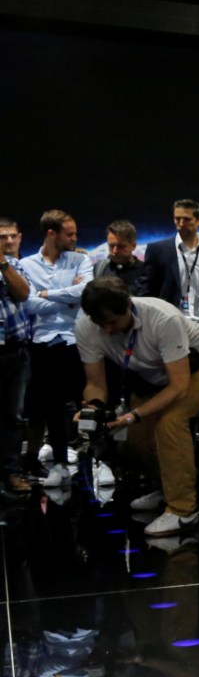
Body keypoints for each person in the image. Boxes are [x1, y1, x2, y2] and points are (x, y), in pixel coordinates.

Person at [75, 277, 199, 536]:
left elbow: (179, 386)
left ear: (128, 306)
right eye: (100, 323)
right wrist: (93, 407)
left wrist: (133, 415)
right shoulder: (86, 327)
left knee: (169, 424)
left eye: (112, 322)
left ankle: (183, 511)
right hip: (153, 374)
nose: (106, 330)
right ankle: (168, 488)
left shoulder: (162, 318)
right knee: (135, 441)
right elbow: (95, 383)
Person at [18, 210, 92, 487]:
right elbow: (28, 304)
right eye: (69, 234)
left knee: (90, 403)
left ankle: (100, 461)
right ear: (52, 233)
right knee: (51, 409)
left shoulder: (80, 259)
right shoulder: (26, 265)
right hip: (43, 345)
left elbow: (85, 292)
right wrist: (68, 299)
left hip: (77, 340)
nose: (74, 238)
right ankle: (60, 464)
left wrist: (47, 293)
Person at [144, 199, 199, 330]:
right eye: (177, 219)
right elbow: (147, 291)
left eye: (187, 219)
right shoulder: (157, 250)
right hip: (169, 325)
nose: (181, 224)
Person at [0, 217, 31, 497]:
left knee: (13, 416)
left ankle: (12, 472)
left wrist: (2, 263)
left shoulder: (15, 265)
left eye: (11, 236)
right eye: (1, 237)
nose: (7, 242)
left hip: (14, 351)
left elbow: (22, 294)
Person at [94, 221, 160, 296]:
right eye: (111, 246)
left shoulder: (145, 272)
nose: (115, 251)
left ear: (133, 246)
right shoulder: (99, 268)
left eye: (121, 246)